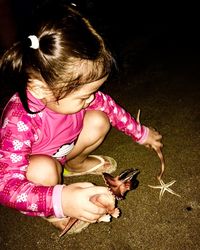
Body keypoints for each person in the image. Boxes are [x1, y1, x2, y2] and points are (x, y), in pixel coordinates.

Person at [0, 4, 162, 235]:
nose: (91, 99)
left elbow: (111, 109)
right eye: (84, 96)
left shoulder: (73, 95)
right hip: (37, 168)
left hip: (65, 151)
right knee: (44, 169)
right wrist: (61, 199)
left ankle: (74, 164)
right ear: (41, 87)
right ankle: (53, 211)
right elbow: (6, 187)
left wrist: (141, 133)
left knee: (99, 120)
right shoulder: (19, 120)